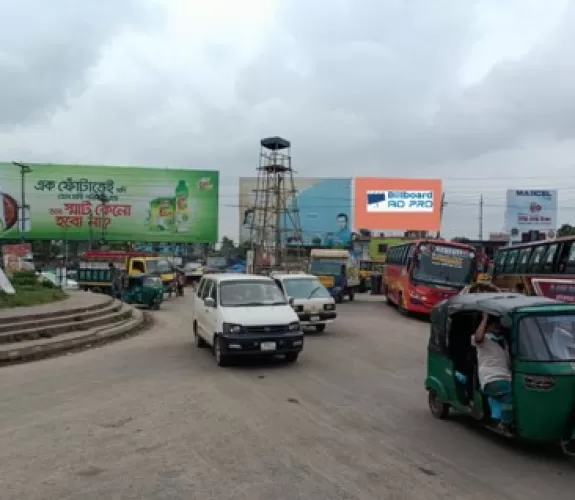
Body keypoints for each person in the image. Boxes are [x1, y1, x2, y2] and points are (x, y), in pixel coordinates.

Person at [473, 312, 513, 433]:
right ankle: (505, 424)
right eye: (493, 325)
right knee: (510, 395)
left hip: (506, 378)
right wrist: (485, 318)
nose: (496, 327)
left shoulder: (504, 343)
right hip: (491, 379)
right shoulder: (484, 341)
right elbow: (478, 337)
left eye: (497, 325)